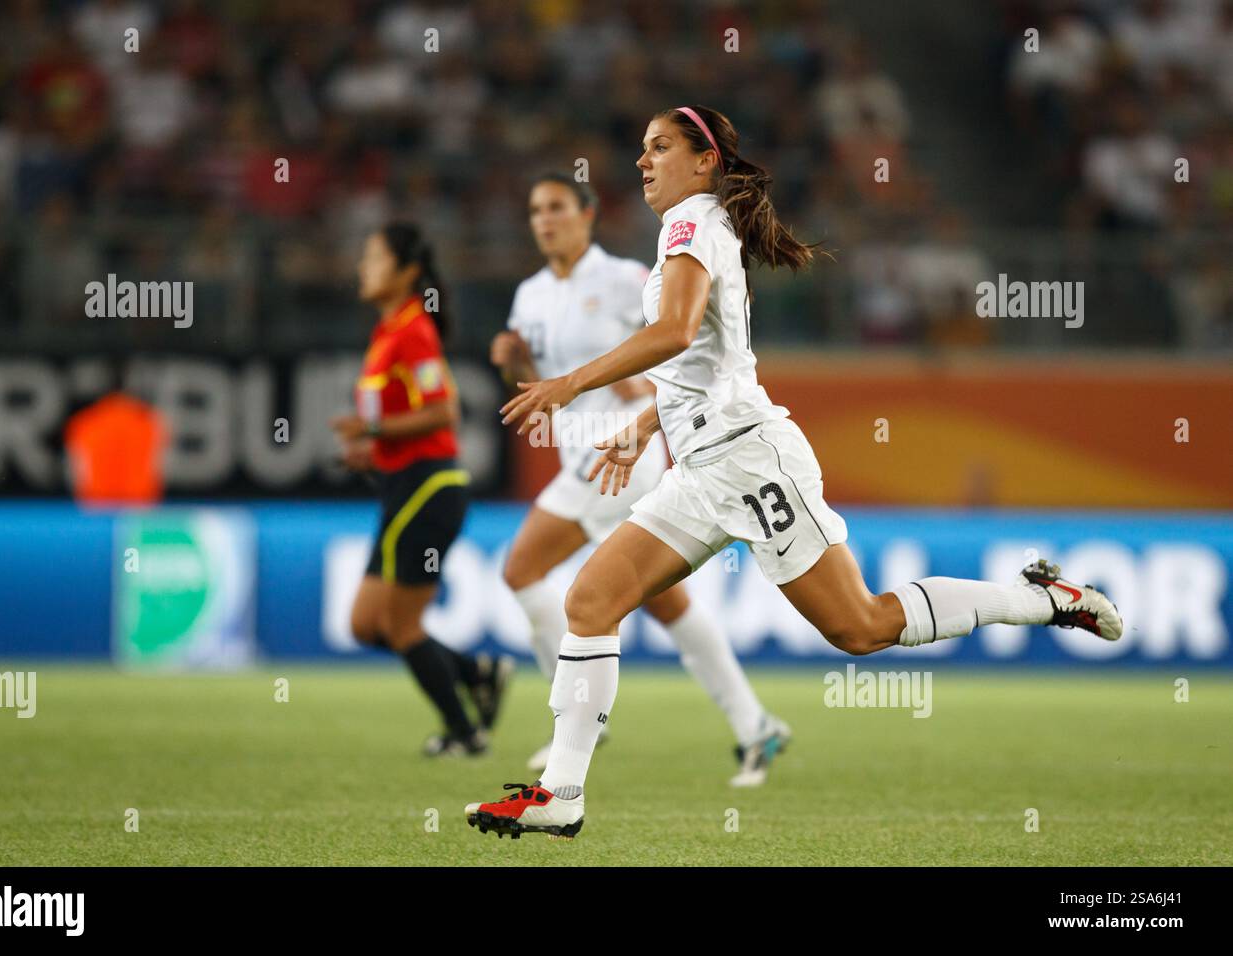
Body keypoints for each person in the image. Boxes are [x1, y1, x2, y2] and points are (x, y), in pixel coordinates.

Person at [465, 106, 1122, 839]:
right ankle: (562, 793)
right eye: (641, 149)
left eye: (659, 148)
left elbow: (674, 333)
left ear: (704, 161)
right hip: (702, 467)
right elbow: (710, 361)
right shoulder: (694, 226)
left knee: (861, 627)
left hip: (749, 461)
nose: (643, 162)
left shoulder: (690, 223)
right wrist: (644, 424)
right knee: (591, 602)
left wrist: (571, 384)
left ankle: (1043, 601)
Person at [493, 172, 789, 785]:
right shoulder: (529, 295)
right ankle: (754, 725)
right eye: (534, 210)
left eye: (555, 207)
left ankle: (575, 725)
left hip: (625, 455)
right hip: (582, 459)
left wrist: (646, 389)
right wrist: (513, 363)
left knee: (527, 570)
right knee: (664, 602)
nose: (544, 220)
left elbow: (701, 323)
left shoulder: (625, 277)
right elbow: (541, 383)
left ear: (586, 215)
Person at [333, 222, 512, 758]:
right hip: (402, 485)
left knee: (399, 623)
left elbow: (444, 412)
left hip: (428, 486)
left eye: (374, 257)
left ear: (407, 271)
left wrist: (373, 432)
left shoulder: (413, 330)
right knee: (367, 624)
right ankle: (475, 672)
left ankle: (465, 732)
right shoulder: (387, 332)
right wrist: (373, 446)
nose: (363, 268)